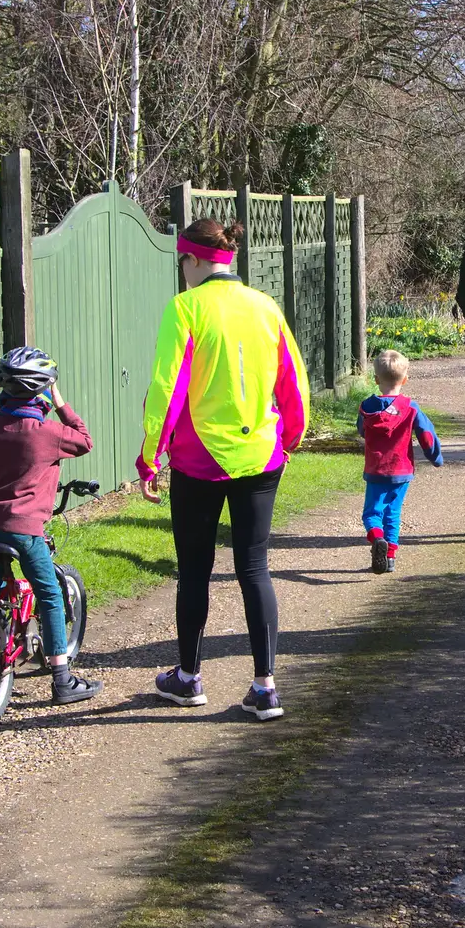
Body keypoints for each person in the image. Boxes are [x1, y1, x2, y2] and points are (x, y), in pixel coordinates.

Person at [137, 217, 309, 721]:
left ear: (191, 260)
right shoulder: (265, 307)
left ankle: (188, 680)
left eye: (180, 263)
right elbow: (292, 381)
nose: (181, 273)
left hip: (197, 459)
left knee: (194, 571)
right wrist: (291, 436)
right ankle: (265, 688)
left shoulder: (185, 308)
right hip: (260, 454)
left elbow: (168, 388)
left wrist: (150, 456)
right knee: (254, 567)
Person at [0, 347, 103, 703]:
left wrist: (3, 405)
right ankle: (62, 680)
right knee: (49, 595)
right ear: (41, 388)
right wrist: (59, 401)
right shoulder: (48, 431)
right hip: (24, 527)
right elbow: (85, 440)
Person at [357, 349, 444, 574]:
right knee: (393, 513)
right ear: (405, 379)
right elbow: (425, 435)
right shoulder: (411, 408)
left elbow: (362, 431)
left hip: (376, 469)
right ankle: (391, 557)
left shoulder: (366, 407)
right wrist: (435, 457)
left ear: (376, 380)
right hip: (401, 469)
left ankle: (377, 538)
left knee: (372, 513)